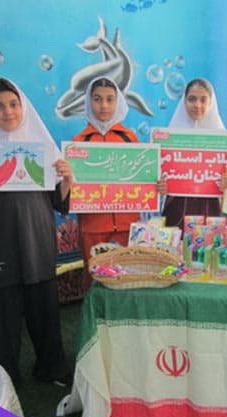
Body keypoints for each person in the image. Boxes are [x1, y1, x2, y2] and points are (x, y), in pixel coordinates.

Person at [0, 77, 73, 386]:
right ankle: (4, 374)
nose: (7, 112)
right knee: (3, 315)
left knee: (44, 309)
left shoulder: (42, 148)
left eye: (13, 104)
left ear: (23, 107)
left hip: (37, 241)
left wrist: (66, 179)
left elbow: (58, 202)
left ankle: (52, 367)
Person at [73, 77, 141, 290]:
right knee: (95, 282)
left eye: (110, 99)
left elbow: (143, 180)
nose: (103, 105)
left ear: (118, 102)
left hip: (127, 225)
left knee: (128, 280)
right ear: (89, 102)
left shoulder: (130, 139)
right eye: (97, 99)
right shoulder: (79, 142)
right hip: (93, 226)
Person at [160, 78, 227, 228]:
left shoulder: (224, 141)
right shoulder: (169, 138)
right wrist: (160, 185)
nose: (197, 105)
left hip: (211, 212)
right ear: (184, 102)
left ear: (211, 103)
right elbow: (158, 179)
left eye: (203, 100)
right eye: (192, 99)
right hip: (176, 211)